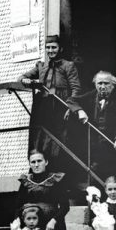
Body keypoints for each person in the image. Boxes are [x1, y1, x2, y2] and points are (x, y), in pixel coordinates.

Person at [18, 35, 82, 172]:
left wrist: (70, 107)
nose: (50, 50)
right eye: (48, 47)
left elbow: (76, 89)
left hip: (60, 107)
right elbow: (22, 77)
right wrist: (25, 80)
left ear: (60, 48)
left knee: (58, 140)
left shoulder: (68, 66)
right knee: (40, 138)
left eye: (54, 47)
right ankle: (40, 169)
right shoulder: (41, 66)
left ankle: (57, 170)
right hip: (43, 107)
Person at [68, 71, 116, 192]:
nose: (102, 86)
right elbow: (71, 100)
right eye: (99, 83)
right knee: (96, 182)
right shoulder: (92, 95)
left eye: (106, 83)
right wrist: (79, 111)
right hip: (97, 150)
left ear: (113, 85)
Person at [15, 150, 71, 230]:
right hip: (33, 225)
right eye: (33, 162)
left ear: (46, 162)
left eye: (39, 161)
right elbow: (18, 206)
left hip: (53, 225)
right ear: (29, 164)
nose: (36, 165)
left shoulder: (55, 180)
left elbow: (65, 206)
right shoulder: (25, 181)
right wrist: (18, 227)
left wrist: (54, 221)